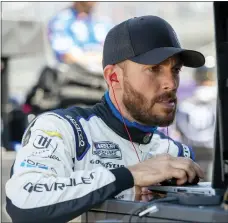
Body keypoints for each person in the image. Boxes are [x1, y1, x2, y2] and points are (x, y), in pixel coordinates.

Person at [6, 15, 205, 223]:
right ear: (113, 77)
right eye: (154, 69)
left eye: (175, 70)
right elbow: (23, 202)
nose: (171, 83)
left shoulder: (177, 155)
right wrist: (129, 175)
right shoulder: (63, 128)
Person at [175, 65, 217, 181]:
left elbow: (179, 127)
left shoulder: (186, 101)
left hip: (192, 148)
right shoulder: (218, 100)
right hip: (212, 148)